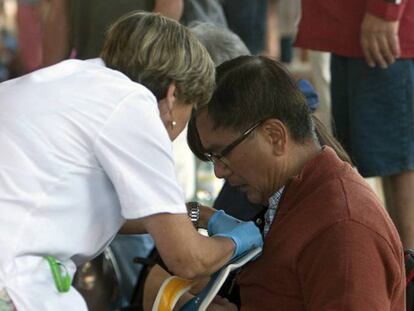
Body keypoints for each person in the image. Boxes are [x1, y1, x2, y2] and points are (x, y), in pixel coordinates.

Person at [0, 12, 263, 310]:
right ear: (173, 95)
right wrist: (241, 240)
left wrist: (197, 214)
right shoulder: (134, 104)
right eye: (188, 113)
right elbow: (188, 259)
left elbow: (93, 208)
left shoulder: (72, 78)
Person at [188, 55, 405, 310]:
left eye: (223, 154)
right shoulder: (295, 197)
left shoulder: (343, 228)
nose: (218, 172)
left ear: (275, 136)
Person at [294, 0, 414, 249]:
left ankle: (407, 282)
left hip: (385, 30)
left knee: (402, 166)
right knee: (388, 167)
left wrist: (387, 7)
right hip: (354, 30)